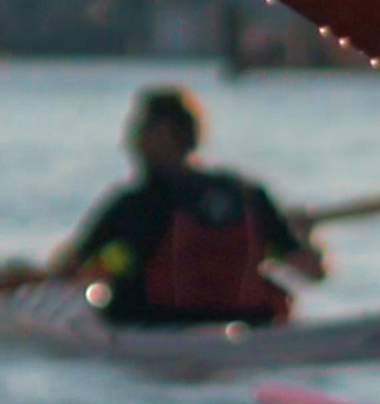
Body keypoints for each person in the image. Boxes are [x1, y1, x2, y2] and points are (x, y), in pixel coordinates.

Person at [51, 86, 324, 328]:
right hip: (249, 327)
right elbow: (313, 271)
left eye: (140, 129)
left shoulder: (135, 204)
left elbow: (69, 271)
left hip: (157, 329)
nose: (130, 140)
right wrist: (303, 236)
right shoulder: (248, 195)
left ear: (162, 135)